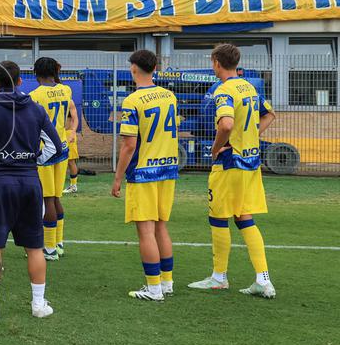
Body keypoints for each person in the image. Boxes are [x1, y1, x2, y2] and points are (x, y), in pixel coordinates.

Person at [0, 60, 64, 321]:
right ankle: (38, 304)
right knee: (35, 247)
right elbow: (56, 147)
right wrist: (31, 161)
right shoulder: (36, 109)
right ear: (20, 81)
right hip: (29, 182)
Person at [189, 44, 277, 298]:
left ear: (217, 62)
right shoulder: (247, 86)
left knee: (218, 218)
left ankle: (219, 277)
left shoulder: (224, 90)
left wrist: (217, 148)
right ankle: (263, 280)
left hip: (230, 165)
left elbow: (226, 124)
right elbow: (270, 115)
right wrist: (249, 136)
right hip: (250, 163)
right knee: (244, 218)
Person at [110, 50, 178, 301]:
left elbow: (129, 145)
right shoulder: (169, 95)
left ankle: (153, 288)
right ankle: (167, 282)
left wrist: (117, 178)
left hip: (144, 171)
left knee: (146, 232)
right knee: (161, 227)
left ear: (134, 68)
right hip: (168, 168)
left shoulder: (132, 100)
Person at [29, 57, 75, 260]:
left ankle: (48, 249)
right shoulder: (66, 90)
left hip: (45, 149)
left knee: (47, 199)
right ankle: (58, 242)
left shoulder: (34, 95)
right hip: (62, 147)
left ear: (36, 72)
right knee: (55, 197)